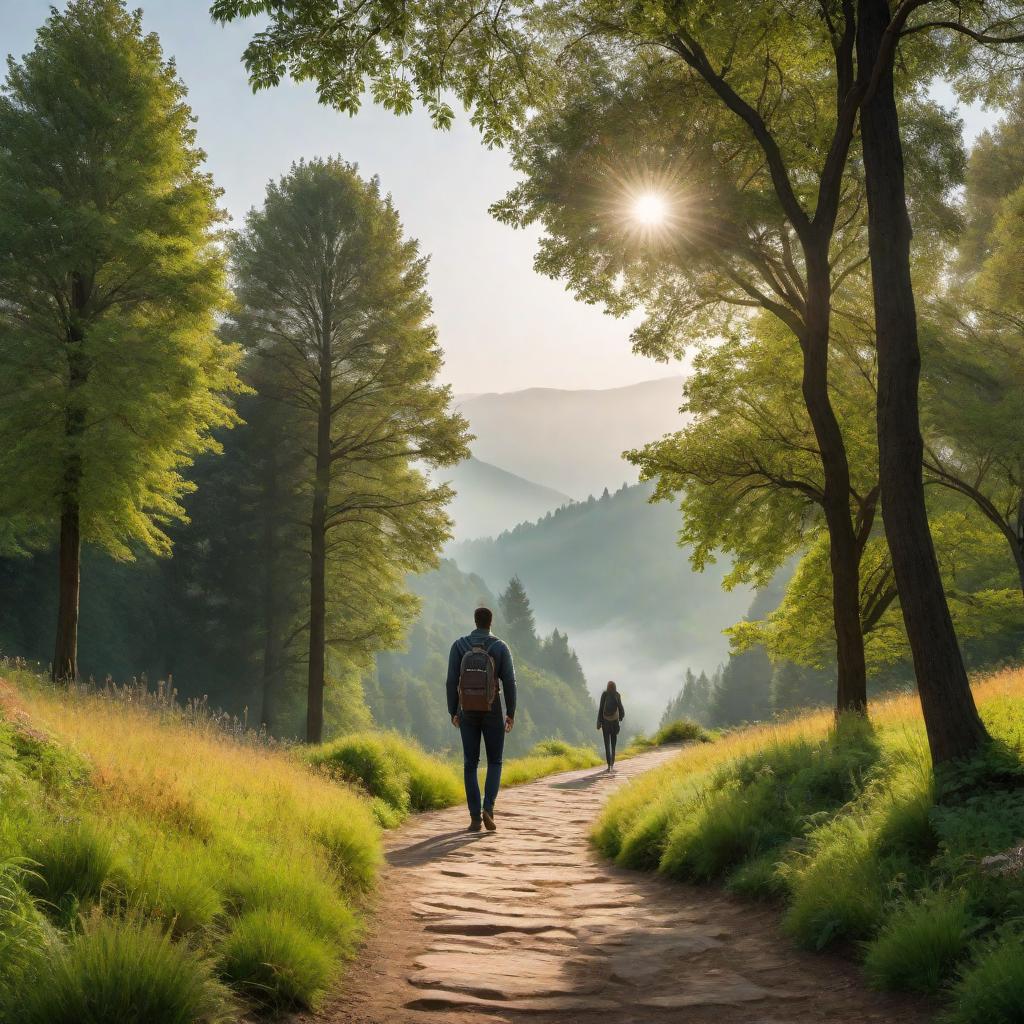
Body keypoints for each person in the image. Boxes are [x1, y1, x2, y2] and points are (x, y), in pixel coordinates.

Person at [447, 606, 516, 832]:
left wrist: (453, 711)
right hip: (492, 708)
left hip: (467, 709)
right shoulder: (500, 647)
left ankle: (475, 818)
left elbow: (451, 681)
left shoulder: (459, 646)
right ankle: (489, 807)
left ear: (475, 621)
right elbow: (509, 683)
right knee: (495, 761)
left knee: (470, 763)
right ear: (490, 623)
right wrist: (511, 712)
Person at [597, 681, 625, 770]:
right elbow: (621, 708)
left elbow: (601, 708)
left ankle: (608, 765)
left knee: (607, 743)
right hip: (615, 722)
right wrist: (620, 717)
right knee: (613, 744)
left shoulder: (604, 695)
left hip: (605, 722)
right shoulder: (617, 695)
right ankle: (612, 763)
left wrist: (599, 721)